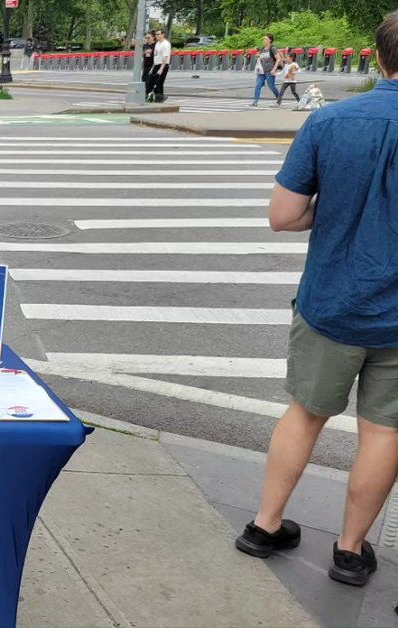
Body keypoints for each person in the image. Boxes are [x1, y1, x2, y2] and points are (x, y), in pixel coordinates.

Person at [235, 11, 398, 589]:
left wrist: (330, 213)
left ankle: (264, 525)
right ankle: (351, 553)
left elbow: (282, 216)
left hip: (331, 301)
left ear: (378, 59)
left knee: (305, 414)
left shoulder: (331, 122)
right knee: (384, 431)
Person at [252, 34, 282, 106]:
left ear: (270, 40)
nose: (264, 40)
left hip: (270, 70)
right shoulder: (262, 49)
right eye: (263, 39)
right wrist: (257, 56)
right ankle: (255, 101)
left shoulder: (273, 48)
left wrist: (274, 69)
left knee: (271, 86)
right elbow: (260, 58)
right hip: (261, 71)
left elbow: (278, 58)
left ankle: (279, 98)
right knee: (258, 85)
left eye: (265, 39)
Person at [148, 29, 171, 102]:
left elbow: (165, 57)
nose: (156, 36)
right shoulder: (158, 43)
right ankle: (154, 96)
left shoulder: (165, 44)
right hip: (156, 65)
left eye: (158, 34)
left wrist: (161, 69)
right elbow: (156, 56)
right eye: (156, 34)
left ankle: (159, 97)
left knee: (159, 82)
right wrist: (153, 67)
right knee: (151, 81)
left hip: (163, 65)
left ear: (163, 34)